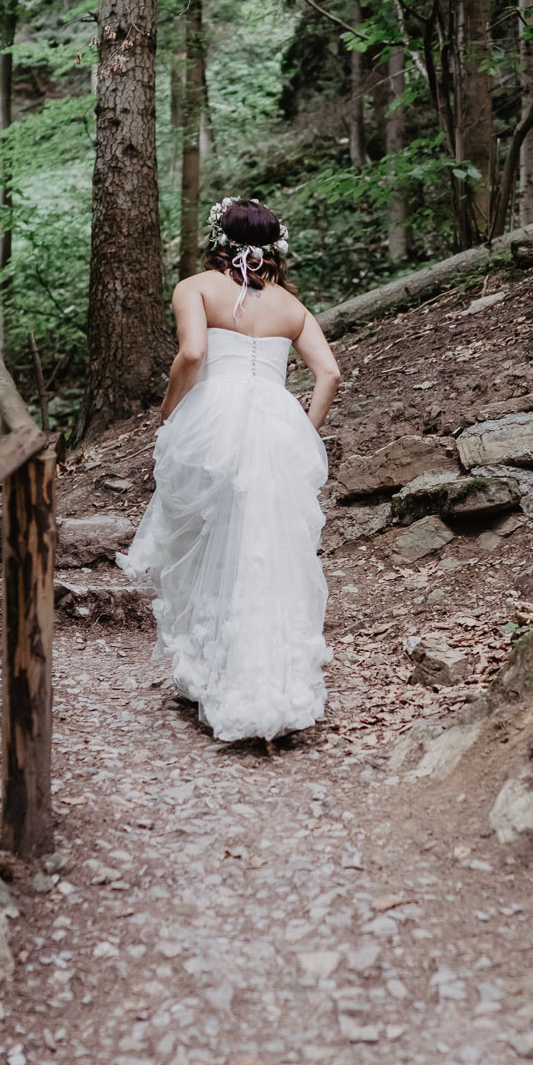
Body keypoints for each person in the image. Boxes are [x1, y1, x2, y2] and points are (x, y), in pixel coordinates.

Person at [117, 197, 342, 743]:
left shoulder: (195, 288)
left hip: (213, 423)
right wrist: (303, 431)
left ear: (218, 238)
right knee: (266, 549)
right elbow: (329, 374)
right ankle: (272, 685)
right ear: (274, 246)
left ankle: (209, 673)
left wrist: (170, 413)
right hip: (276, 425)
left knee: (205, 543)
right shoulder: (292, 306)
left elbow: (194, 354)